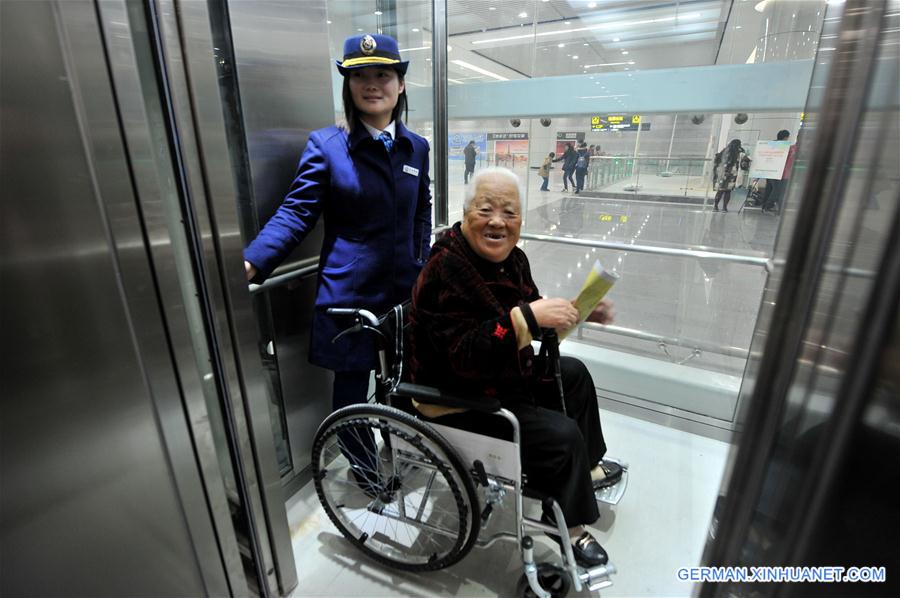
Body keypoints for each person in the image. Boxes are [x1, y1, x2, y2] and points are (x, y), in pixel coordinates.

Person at [242, 33, 432, 492]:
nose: (372, 84)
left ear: (400, 85)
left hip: (403, 293)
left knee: (400, 384)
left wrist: (421, 261)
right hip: (350, 293)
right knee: (351, 391)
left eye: (383, 74)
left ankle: (405, 457)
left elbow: (421, 212)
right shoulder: (327, 146)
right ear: (347, 85)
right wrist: (252, 262)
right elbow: (296, 212)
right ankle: (369, 477)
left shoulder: (416, 147)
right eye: (359, 76)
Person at [408, 167, 623, 568]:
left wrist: (581, 312)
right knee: (561, 434)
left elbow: (531, 310)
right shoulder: (446, 268)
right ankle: (569, 528)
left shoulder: (513, 259)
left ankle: (586, 469)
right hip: (455, 397)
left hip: (498, 377)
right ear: (464, 211)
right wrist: (526, 318)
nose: (497, 222)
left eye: (509, 213)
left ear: (521, 220)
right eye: (485, 209)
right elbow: (464, 357)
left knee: (574, 374)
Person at [762, 129, 792, 214]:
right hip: (777, 171)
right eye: (787, 137)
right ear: (785, 137)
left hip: (768, 170)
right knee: (777, 190)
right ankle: (768, 206)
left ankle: (764, 206)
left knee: (769, 188)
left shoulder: (770, 144)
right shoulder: (783, 146)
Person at [712, 138, 745, 212]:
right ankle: (724, 207)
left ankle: (715, 206)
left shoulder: (725, 150)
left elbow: (717, 160)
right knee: (728, 191)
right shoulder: (739, 152)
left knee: (720, 191)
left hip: (722, 174)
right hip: (732, 175)